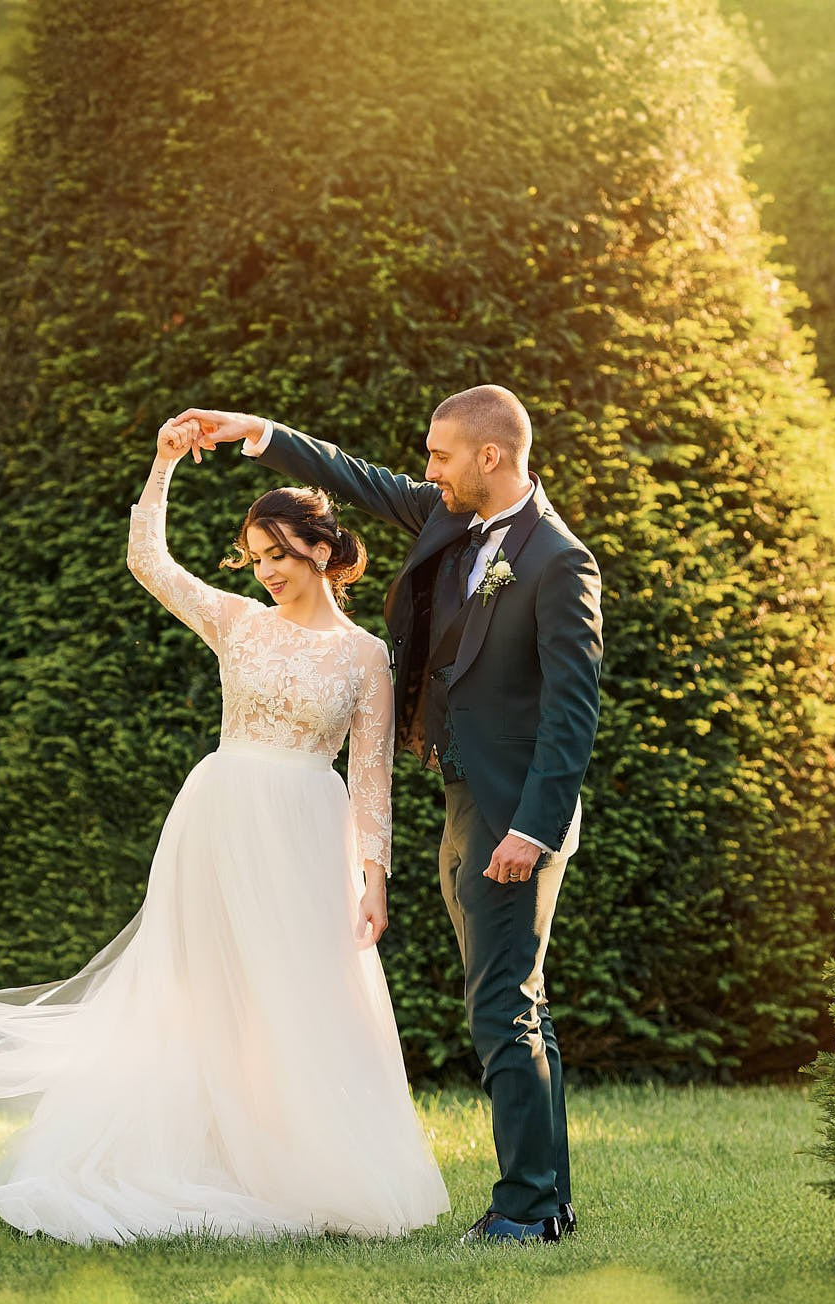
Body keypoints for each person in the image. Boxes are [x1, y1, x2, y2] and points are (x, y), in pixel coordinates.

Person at [0, 418, 449, 1245]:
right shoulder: (239, 622)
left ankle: (304, 1164)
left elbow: (370, 778)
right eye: (256, 556)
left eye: (280, 554)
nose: (267, 570)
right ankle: (207, 1153)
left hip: (306, 829)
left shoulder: (365, 656)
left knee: (303, 993)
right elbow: (149, 561)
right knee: (205, 990)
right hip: (221, 815)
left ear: (322, 549)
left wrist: (374, 877)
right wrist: (162, 465)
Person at [174, 387, 603, 1245]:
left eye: (441, 455)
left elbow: (573, 711)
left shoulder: (560, 561)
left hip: (514, 815)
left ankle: (524, 1210)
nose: (428, 470)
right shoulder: (452, 516)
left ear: (490, 455)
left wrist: (532, 828)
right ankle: (548, 1199)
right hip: (464, 802)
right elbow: (357, 478)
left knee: (502, 1005)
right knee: (520, 1001)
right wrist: (263, 433)